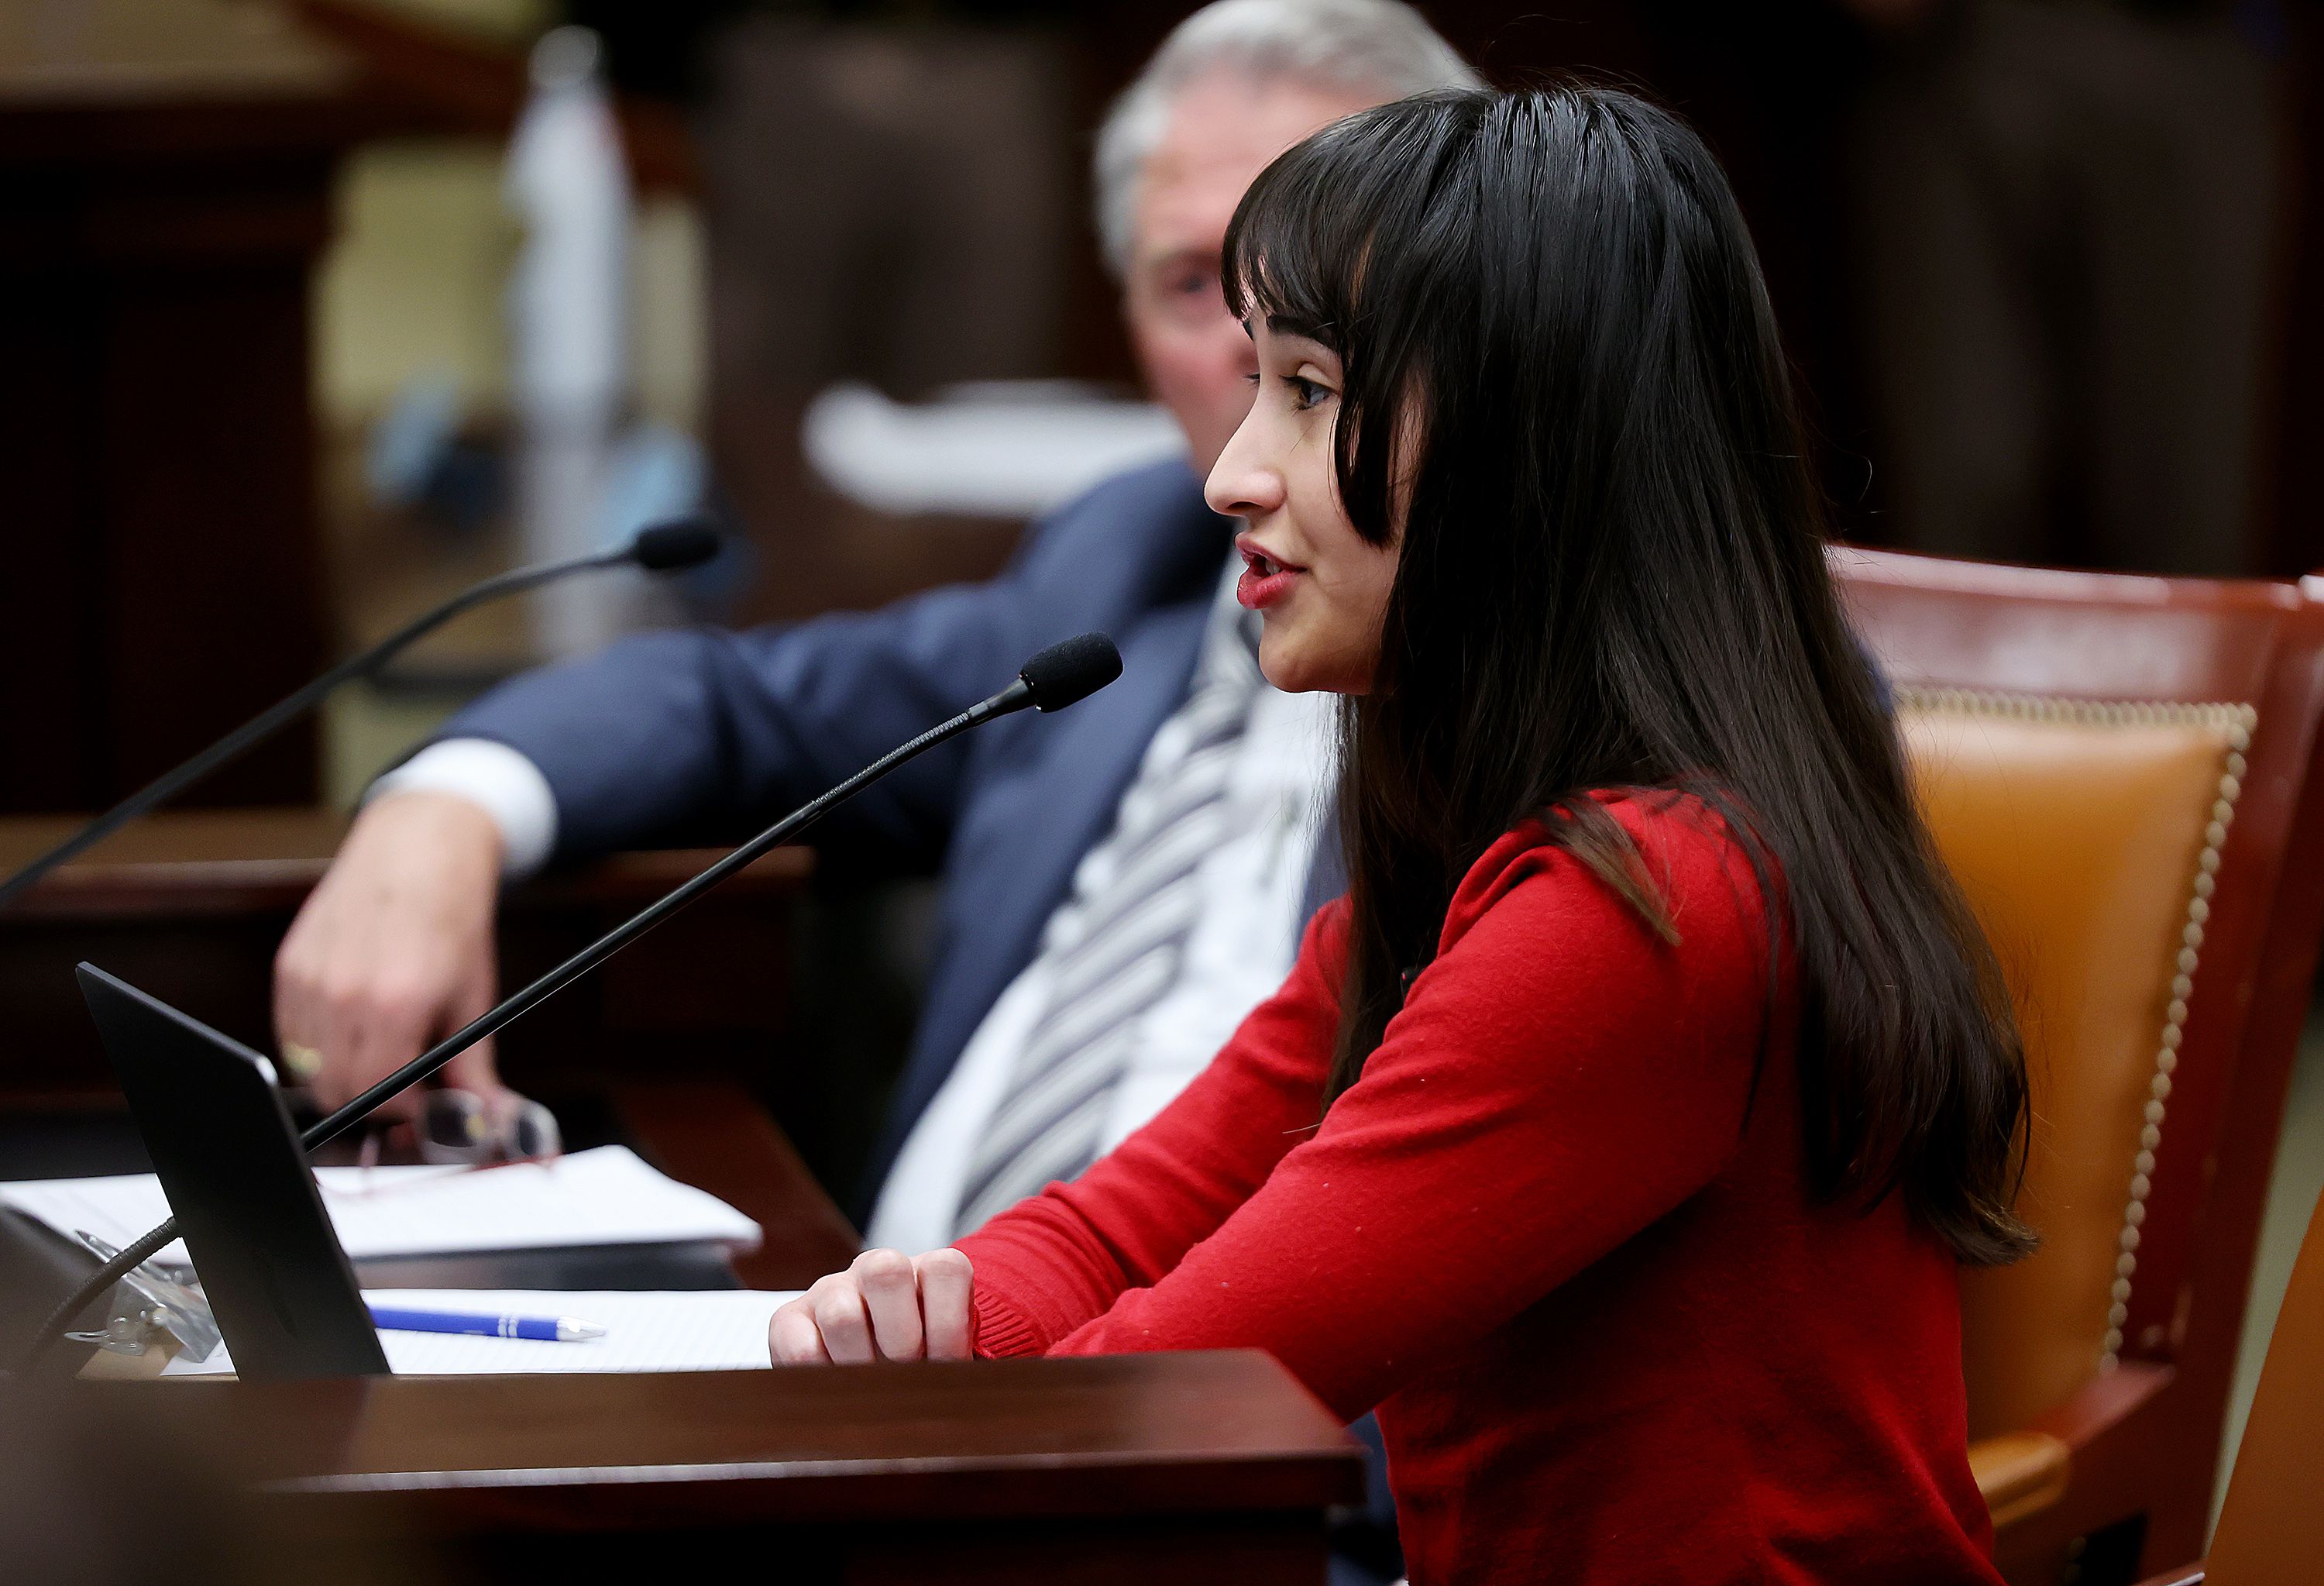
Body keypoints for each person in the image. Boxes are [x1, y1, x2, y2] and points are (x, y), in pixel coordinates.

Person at [768, 86, 2036, 1586]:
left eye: (1310, 391)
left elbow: (1175, 1389)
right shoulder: (1475, 872)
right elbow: (1120, 1233)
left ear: (1528, 443)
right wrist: (914, 1317)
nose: (1232, 471)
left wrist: (881, 1416)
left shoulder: (1645, 913)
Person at [271, 1, 1480, 1254]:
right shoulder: (1126, 571)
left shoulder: (1550, 697)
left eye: (1320, 288)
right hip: (887, 1360)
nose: (1253, 353)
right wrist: (445, 809)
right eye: (1195, 284)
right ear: (1122, 318)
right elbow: (747, 704)